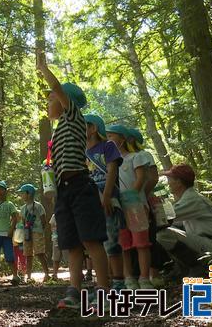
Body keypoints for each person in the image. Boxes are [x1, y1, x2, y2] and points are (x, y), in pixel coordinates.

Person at [38, 58, 110, 309]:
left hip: (81, 186)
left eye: (50, 99)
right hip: (65, 191)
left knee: (91, 240)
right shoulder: (58, 130)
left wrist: (44, 69)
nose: (48, 103)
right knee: (72, 244)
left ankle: (104, 292)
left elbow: (57, 87)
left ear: (64, 101)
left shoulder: (73, 116)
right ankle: (74, 291)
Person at [157, 164, 212, 277]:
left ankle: (196, 266)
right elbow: (169, 223)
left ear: (179, 182)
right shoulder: (189, 198)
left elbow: (164, 218)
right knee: (165, 231)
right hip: (210, 245)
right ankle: (183, 268)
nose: (168, 183)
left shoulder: (192, 199)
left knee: (164, 234)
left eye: (170, 179)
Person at [106, 124, 153, 290]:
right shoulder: (110, 162)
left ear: (122, 138)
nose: (108, 139)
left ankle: (144, 278)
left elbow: (140, 179)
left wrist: (132, 197)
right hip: (118, 208)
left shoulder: (136, 157)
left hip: (135, 206)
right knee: (123, 243)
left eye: (111, 136)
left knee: (141, 243)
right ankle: (128, 278)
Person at [84, 114, 126, 291]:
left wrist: (107, 195)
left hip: (108, 199)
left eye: (83, 126)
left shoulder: (107, 147)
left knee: (112, 241)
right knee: (95, 242)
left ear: (93, 128)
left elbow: (112, 171)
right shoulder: (81, 152)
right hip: (90, 201)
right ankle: (104, 282)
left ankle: (118, 282)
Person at [127, 127, 168, 288]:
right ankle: (136, 275)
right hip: (130, 202)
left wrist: (141, 195)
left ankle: (154, 273)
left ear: (130, 139)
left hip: (144, 200)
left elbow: (152, 178)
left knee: (149, 236)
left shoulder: (143, 155)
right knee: (132, 238)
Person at [17, 184, 50, 283]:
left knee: (40, 253)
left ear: (29, 194)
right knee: (28, 254)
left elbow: (44, 220)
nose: (21, 196)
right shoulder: (23, 208)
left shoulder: (38, 206)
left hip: (37, 232)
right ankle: (29, 276)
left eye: (23, 193)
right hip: (27, 233)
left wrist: (40, 229)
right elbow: (23, 221)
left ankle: (47, 274)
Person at [49, 213, 68, 281]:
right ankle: (55, 274)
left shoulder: (68, 214)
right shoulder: (54, 215)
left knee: (68, 258)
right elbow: (52, 226)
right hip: (56, 239)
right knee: (55, 258)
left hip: (66, 238)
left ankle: (74, 274)